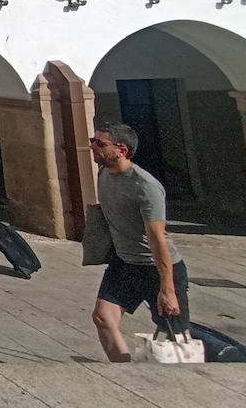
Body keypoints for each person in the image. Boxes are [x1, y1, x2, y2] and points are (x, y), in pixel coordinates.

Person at [89, 123, 190, 362]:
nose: (92, 146)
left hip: (157, 268)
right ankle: (123, 370)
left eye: (100, 144)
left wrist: (167, 289)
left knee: (175, 337)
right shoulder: (104, 173)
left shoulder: (146, 187)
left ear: (121, 150)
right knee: (103, 317)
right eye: (92, 140)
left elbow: (157, 240)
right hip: (125, 263)